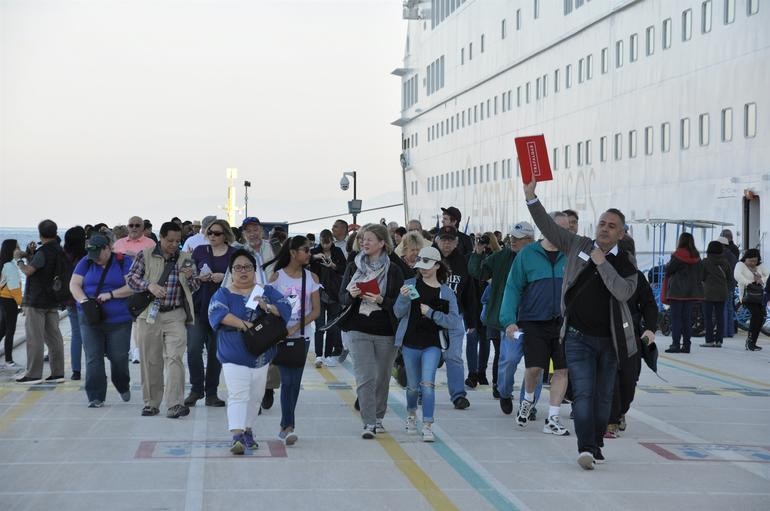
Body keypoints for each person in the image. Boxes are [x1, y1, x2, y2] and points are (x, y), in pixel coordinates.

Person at [523, 179, 638, 470]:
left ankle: (595, 441)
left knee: (602, 398)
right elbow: (549, 229)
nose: (604, 228)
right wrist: (531, 197)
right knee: (584, 393)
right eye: (602, 222)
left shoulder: (626, 263)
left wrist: (602, 263)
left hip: (610, 341)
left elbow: (623, 292)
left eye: (612, 225)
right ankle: (585, 447)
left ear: (621, 233)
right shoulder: (578, 244)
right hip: (577, 337)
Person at [208, 249, 291, 454]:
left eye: (247, 267)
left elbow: (286, 308)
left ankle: (247, 431)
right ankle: (237, 435)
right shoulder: (224, 293)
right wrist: (245, 325)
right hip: (233, 352)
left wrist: (267, 306)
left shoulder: (266, 291)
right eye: (238, 267)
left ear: (254, 270)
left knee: (255, 397)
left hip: (261, 354)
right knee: (238, 394)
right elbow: (217, 314)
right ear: (231, 271)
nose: (243, 271)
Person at [500, 212, 570, 436]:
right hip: (533, 321)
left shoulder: (571, 255)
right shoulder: (527, 254)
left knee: (561, 370)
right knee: (534, 369)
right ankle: (527, 400)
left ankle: (552, 418)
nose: (563, 233)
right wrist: (509, 321)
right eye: (558, 227)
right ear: (545, 227)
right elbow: (512, 288)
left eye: (567, 228)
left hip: (562, 323)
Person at [127, 221, 199, 418]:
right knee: (151, 360)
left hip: (176, 314)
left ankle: (175, 403)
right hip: (149, 315)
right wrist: (148, 285)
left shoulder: (186, 258)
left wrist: (192, 276)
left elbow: (194, 286)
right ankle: (151, 403)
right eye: (170, 240)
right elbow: (131, 278)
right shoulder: (146, 255)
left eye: (178, 241)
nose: (174, 244)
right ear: (161, 238)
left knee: (175, 357)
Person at [339, 223, 405, 438]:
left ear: (382, 243)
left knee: (382, 377)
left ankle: (378, 417)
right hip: (358, 328)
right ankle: (368, 423)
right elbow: (342, 298)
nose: (364, 242)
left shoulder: (395, 270)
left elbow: (401, 304)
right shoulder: (353, 267)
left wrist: (381, 299)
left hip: (386, 331)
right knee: (365, 376)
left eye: (369, 239)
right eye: (362, 239)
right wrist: (352, 294)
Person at [394, 247, 463, 442]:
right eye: (420, 265)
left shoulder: (446, 293)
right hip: (410, 343)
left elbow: (454, 321)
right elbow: (398, 312)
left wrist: (431, 313)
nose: (423, 269)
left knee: (428, 385)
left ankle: (427, 424)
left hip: (432, 344)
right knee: (412, 387)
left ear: (437, 266)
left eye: (427, 265)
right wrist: (403, 297)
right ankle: (411, 414)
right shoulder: (410, 284)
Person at [469, 222, 536, 403]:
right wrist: (478, 252)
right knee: (508, 359)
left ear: (530, 240)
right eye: (512, 237)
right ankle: (504, 391)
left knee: (536, 364)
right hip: (510, 320)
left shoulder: (539, 257)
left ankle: (529, 405)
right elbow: (478, 272)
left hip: (537, 320)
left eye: (518, 238)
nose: (513, 241)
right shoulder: (500, 257)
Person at [69, 234, 134, 407]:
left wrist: (111, 294)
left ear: (107, 248)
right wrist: (83, 300)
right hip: (91, 317)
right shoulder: (86, 262)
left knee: (119, 356)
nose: (95, 259)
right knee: (93, 357)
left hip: (119, 318)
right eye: (93, 255)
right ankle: (96, 396)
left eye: (98, 254)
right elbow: (74, 284)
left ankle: (122, 384)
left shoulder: (123, 261)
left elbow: (132, 287)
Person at [269, 236, 321, 445]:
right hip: (280, 336)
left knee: (295, 383)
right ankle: (287, 426)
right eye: (305, 250)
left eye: (309, 250)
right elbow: (268, 305)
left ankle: (286, 426)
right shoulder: (276, 277)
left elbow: (316, 311)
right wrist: (283, 329)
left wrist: (295, 328)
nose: (309, 253)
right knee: (287, 381)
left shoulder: (312, 278)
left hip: (302, 336)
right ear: (292, 253)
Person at [605, 236, 657, 438]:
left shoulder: (637, 277)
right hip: (604, 334)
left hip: (630, 335)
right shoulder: (599, 273)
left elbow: (649, 304)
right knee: (610, 379)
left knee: (629, 380)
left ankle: (621, 411)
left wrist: (650, 329)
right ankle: (610, 420)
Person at [184, 219, 236, 408]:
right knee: (193, 349)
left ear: (226, 235)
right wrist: (197, 276)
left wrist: (225, 278)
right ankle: (196, 389)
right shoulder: (199, 251)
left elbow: (241, 279)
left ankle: (211, 393)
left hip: (222, 311)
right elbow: (188, 275)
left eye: (217, 233)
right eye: (210, 232)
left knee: (215, 353)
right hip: (199, 307)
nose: (212, 236)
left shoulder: (233, 254)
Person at [15, 220, 67, 384]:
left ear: (40, 233)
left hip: (36, 300)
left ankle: (33, 374)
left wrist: (19, 261)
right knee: (54, 338)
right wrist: (32, 253)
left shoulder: (43, 251)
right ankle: (58, 372)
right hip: (53, 299)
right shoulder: (59, 249)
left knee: (34, 338)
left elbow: (30, 271)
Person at [434, 225, 475, 410]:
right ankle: (420, 392)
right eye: (443, 239)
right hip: (430, 317)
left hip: (453, 317)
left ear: (457, 242)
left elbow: (469, 292)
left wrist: (471, 320)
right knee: (429, 356)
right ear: (437, 240)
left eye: (450, 240)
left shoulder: (463, 262)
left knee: (454, 357)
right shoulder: (429, 258)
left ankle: (458, 395)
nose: (446, 243)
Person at [465, 232, 499, 388]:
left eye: (486, 242)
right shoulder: (472, 257)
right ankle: (473, 373)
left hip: (487, 304)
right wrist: (477, 252)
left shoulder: (497, 257)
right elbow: (471, 272)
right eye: (481, 241)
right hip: (472, 302)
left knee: (485, 339)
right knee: (472, 337)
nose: (484, 244)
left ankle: (481, 372)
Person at [309, 229, 346, 367]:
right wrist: (316, 257)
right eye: (323, 243)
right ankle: (319, 355)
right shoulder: (314, 252)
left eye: (328, 243)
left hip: (334, 293)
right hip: (318, 292)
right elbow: (305, 260)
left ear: (332, 241)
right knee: (319, 326)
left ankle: (329, 354)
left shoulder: (337, 252)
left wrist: (333, 265)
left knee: (331, 326)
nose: (325, 246)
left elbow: (344, 268)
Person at [663, 232, 704, 354]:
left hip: (677, 292)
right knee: (686, 319)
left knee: (676, 319)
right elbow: (701, 273)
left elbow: (669, 270)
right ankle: (687, 345)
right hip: (691, 293)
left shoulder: (677, 255)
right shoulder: (696, 256)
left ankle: (675, 344)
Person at [63, 227, 87, 380]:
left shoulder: (64, 255)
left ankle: (76, 371)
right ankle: (94, 367)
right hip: (86, 299)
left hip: (70, 299)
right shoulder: (86, 257)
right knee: (91, 335)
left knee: (76, 335)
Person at [699, 240, 732, 348]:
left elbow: (701, 277)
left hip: (708, 293)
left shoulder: (705, 262)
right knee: (720, 316)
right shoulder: (725, 262)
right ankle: (719, 341)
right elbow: (729, 278)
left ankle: (709, 340)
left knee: (708, 317)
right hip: (722, 292)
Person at [734, 248, 768, 351]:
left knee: (761, 317)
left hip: (759, 296)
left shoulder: (760, 266)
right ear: (746, 258)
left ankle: (753, 341)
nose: (753, 263)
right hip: (747, 296)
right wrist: (750, 282)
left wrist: (761, 280)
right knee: (756, 315)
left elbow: (768, 275)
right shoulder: (740, 265)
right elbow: (737, 275)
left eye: (755, 261)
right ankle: (750, 342)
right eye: (751, 260)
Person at [0, 239, 23, 368]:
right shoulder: (10, 266)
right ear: (11, 250)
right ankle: (9, 360)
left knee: (3, 329)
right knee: (10, 330)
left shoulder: (4, 264)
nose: (19, 250)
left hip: (3, 300)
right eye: (17, 248)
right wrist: (22, 303)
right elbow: (14, 288)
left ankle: (8, 359)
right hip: (9, 301)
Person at [717, 236, 738, 338]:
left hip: (722, 284)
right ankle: (730, 331)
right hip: (731, 284)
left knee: (723, 308)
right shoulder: (733, 256)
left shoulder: (720, 256)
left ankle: (723, 332)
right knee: (730, 308)